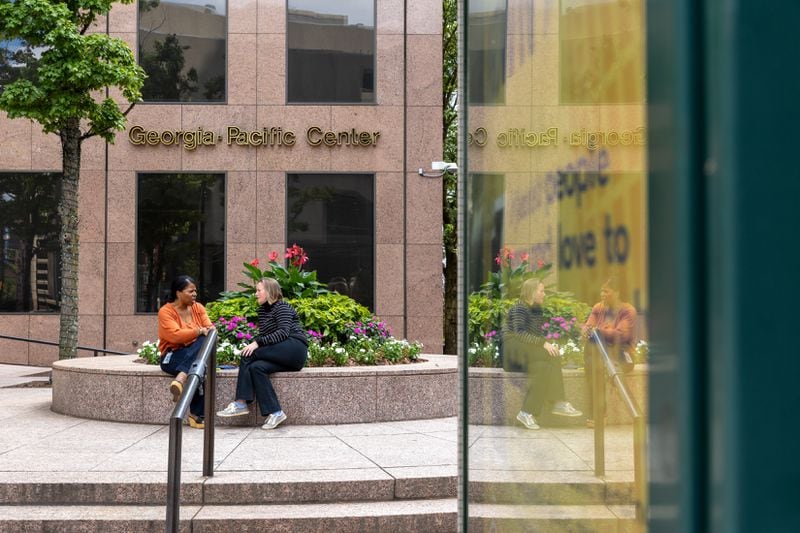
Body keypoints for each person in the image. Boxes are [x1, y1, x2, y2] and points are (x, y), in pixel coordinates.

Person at [216, 278, 308, 430]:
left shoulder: (282, 306)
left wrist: (257, 343)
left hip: (294, 348)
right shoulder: (263, 311)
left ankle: (241, 402)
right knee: (256, 367)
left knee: (248, 354)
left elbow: (283, 333)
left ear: (270, 291)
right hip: (282, 353)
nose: (255, 294)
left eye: (259, 290)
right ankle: (276, 412)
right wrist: (257, 344)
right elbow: (268, 340)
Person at [503, 278, 583, 430]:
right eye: (541, 291)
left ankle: (526, 412)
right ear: (532, 292)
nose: (544, 294)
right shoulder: (520, 308)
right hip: (512, 351)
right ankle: (558, 402)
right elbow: (520, 334)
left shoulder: (537, 310)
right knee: (551, 354)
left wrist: (545, 345)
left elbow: (534, 339)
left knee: (544, 367)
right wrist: (544, 344)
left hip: (526, 353)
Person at [158, 275, 214, 429]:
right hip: (171, 356)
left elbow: (211, 331)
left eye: (195, 291)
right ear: (178, 293)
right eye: (191, 291)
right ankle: (196, 416)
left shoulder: (198, 308)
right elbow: (174, 336)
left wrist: (200, 333)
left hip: (193, 354)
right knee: (199, 364)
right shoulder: (166, 311)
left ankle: (181, 378)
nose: (195, 294)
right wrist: (198, 331)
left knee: (204, 344)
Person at [581, 277, 637, 427]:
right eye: (601, 290)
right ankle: (600, 412)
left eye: (606, 291)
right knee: (594, 358)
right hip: (601, 355)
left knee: (594, 355)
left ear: (617, 293)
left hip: (623, 356)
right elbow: (588, 328)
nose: (602, 294)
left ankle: (599, 413)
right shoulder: (598, 308)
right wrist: (587, 330)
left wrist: (600, 331)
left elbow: (621, 335)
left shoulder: (627, 310)